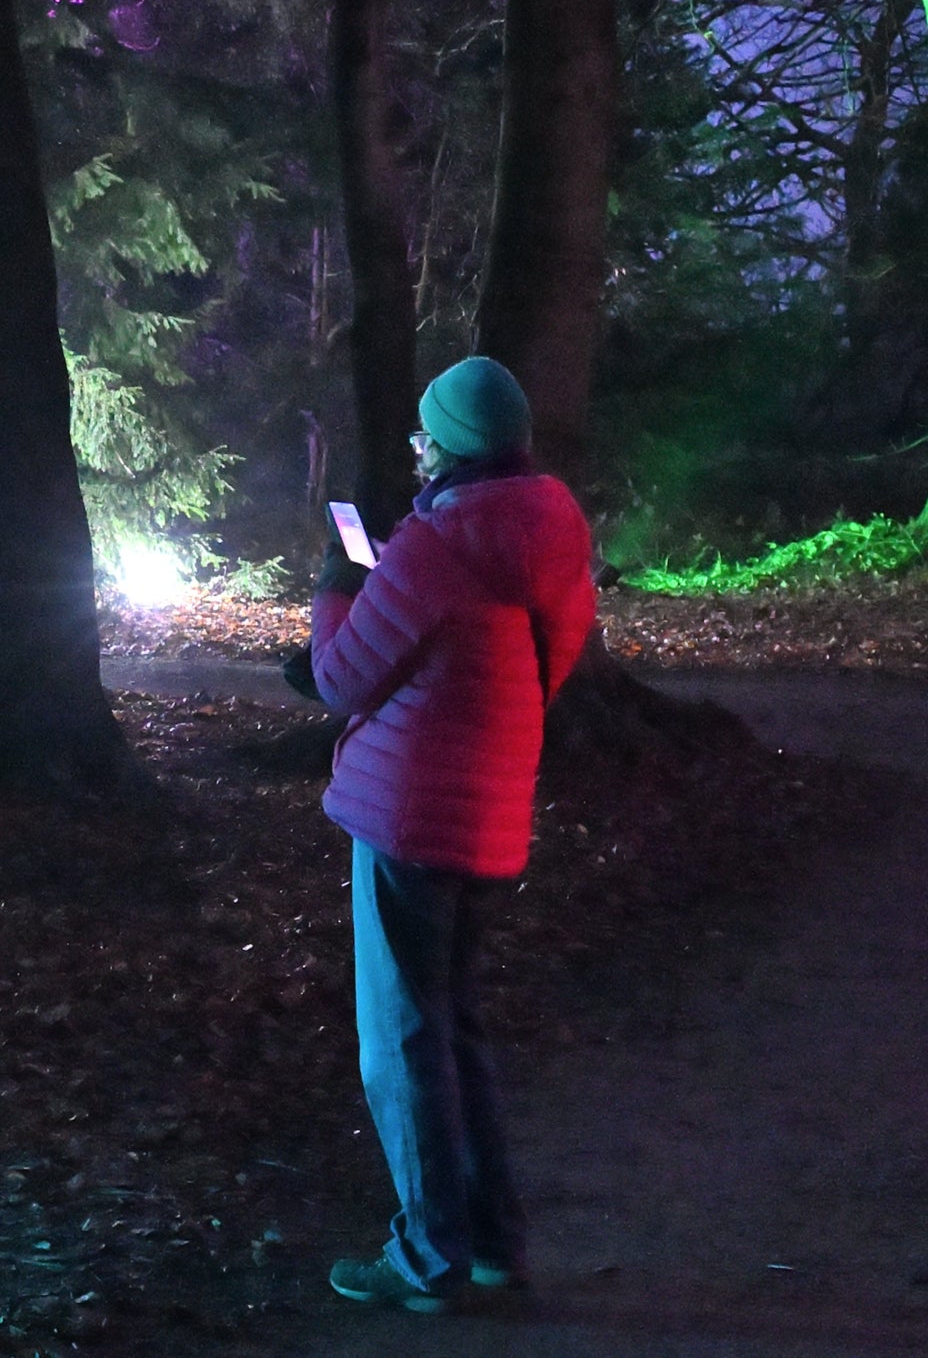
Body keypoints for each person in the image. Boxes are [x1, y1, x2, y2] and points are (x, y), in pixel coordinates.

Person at [302, 355, 596, 1314]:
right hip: (492, 807)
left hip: (405, 814)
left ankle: (427, 1258)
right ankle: (492, 1245)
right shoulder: (550, 531)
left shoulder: (433, 545)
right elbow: (534, 665)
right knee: (456, 1033)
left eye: (429, 431)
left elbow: (344, 678)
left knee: (401, 1042)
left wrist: (336, 591)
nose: (418, 445)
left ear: (457, 441)